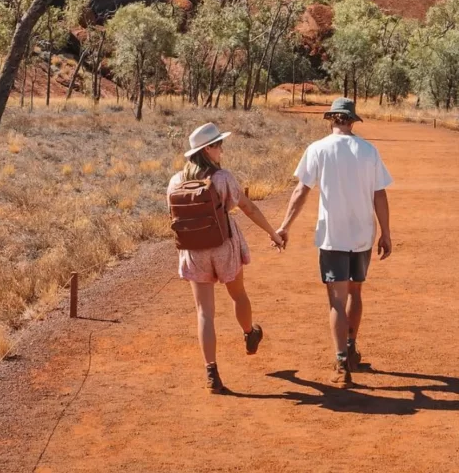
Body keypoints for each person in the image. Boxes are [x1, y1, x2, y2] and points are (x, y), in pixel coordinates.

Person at [277, 97, 392, 387]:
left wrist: (285, 226)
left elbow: (301, 190)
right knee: (356, 291)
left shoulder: (317, 149)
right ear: (352, 121)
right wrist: (386, 232)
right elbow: (380, 194)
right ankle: (351, 348)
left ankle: (342, 363)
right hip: (363, 234)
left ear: (331, 119)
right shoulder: (368, 151)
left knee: (336, 301)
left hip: (332, 236)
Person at [167, 122, 285, 394]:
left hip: (194, 250)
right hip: (223, 246)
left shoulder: (175, 181)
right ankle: (249, 332)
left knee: (204, 313)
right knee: (238, 294)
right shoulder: (222, 178)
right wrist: (273, 234)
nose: (222, 149)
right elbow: (248, 208)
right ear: (207, 149)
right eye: (219, 144)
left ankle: (212, 373)